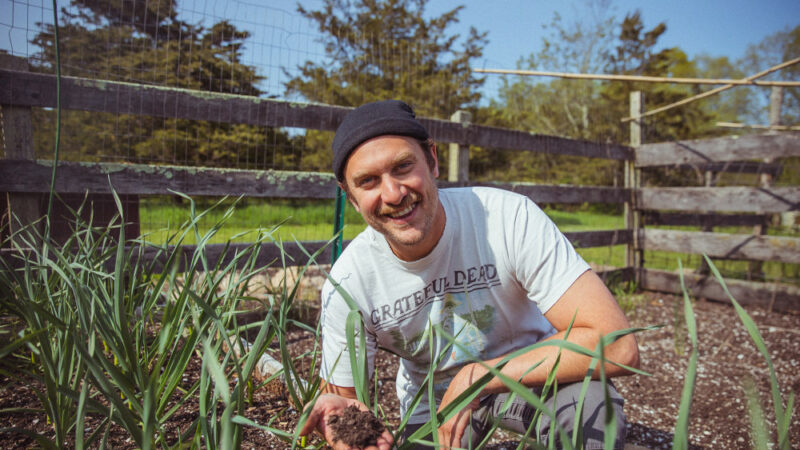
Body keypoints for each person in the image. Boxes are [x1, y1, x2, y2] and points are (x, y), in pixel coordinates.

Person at [298, 100, 640, 450]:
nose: (393, 194)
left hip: (533, 376)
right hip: (432, 405)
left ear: (432, 160)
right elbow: (345, 403)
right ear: (351, 197)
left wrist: (481, 375)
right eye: (368, 182)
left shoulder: (507, 218)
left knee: (591, 405)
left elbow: (616, 342)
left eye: (402, 167)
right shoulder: (350, 283)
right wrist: (347, 422)